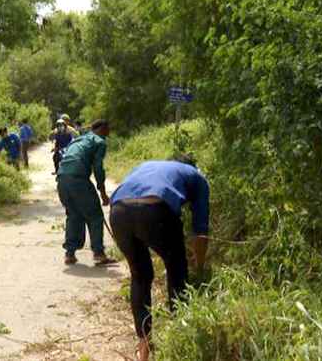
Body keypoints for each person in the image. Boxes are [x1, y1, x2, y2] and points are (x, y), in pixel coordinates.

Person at [109, 156, 210, 361]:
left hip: (119, 212)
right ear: (193, 166)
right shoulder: (197, 177)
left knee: (140, 276)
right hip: (155, 209)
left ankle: (144, 346)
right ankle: (180, 333)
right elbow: (200, 233)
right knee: (177, 269)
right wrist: (200, 267)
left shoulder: (146, 165)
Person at [56, 119, 117, 266]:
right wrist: (102, 192)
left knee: (73, 215)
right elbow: (98, 168)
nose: (109, 132)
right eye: (109, 128)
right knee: (95, 215)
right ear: (102, 128)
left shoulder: (78, 140)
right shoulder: (99, 142)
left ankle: (69, 254)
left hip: (62, 179)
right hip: (78, 180)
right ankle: (99, 253)